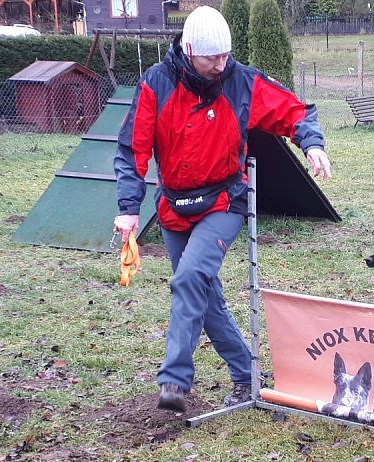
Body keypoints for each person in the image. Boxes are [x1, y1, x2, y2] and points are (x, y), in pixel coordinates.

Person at [113, 6, 332, 413]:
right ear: (189, 49)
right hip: (174, 205)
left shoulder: (241, 81)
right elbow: (132, 149)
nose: (221, 63)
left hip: (224, 200)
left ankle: (174, 380)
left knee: (190, 278)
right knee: (204, 294)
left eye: (226, 55)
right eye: (212, 57)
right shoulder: (156, 86)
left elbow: (295, 111)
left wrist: (312, 142)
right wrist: (129, 208)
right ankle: (247, 376)